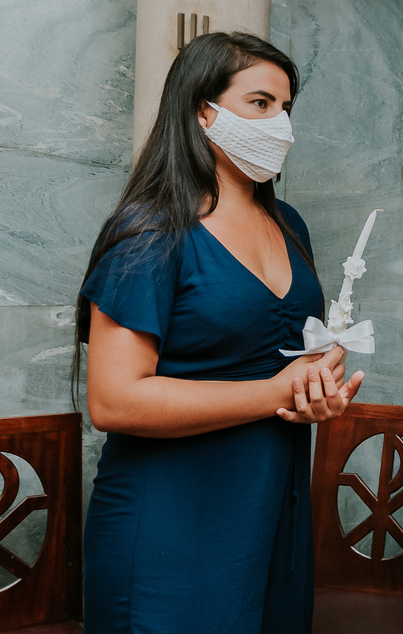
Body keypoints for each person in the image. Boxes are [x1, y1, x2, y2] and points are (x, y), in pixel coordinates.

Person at [76, 32, 364, 634]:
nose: (280, 124)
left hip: (271, 510)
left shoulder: (288, 224)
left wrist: (317, 382)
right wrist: (275, 392)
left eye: (286, 107)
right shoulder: (153, 233)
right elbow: (113, 399)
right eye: (260, 104)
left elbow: (276, 347)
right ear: (202, 111)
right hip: (172, 519)